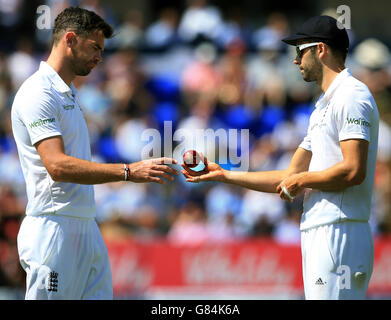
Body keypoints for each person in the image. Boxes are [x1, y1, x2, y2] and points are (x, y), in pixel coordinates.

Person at [182, 15, 379, 300]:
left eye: (300, 51)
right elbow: (290, 174)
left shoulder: (351, 95)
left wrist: (303, 180)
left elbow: (352, 171)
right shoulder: (324, 105)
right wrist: (224, 175)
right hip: (323, 229)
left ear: (320, 49)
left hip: (341, 229)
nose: (295, 60)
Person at [11, 7, 179, 300]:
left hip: (85, 226)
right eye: (95, 48)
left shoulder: (69, 93)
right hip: (54, 229)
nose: (100, 57)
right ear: (71, 40)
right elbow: (57, 166)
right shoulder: (37, 92)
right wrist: (129, 171)